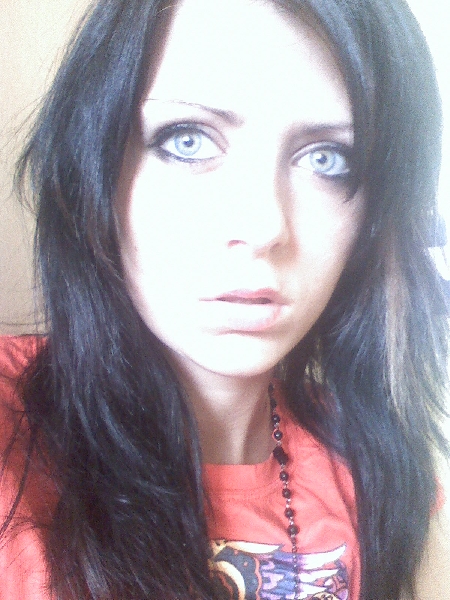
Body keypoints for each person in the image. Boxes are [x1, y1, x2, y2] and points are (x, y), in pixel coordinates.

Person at [0, 0, 448, 598]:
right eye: (187, 140)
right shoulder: (15, 437)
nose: (263, 226)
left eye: (327, 158)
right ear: (93, 171)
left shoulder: (377, 467)